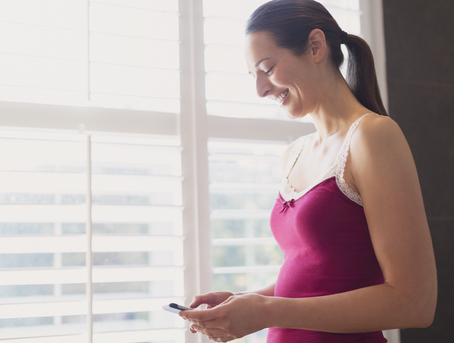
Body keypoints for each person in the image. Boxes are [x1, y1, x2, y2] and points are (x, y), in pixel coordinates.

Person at [180, 0, 438, 342]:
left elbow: (415, 303)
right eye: (253, 75)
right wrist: (244, 302)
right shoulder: (295, 153)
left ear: (316, 46)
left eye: (267, 68)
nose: (260, 89)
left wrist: (268, 311)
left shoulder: (373, 136)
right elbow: (318, 272)